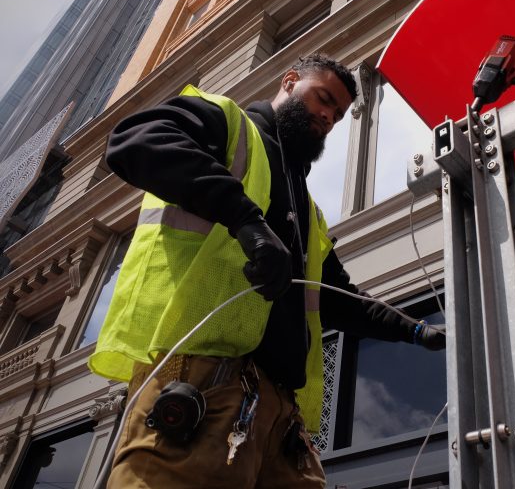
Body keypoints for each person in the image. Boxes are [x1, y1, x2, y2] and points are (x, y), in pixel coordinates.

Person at [89, 54, 445, 488]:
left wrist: (415, 330)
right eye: (323, 99)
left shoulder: (309, 213)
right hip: (204, 381)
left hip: (281, 421)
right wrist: (246, 221)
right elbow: (135, 138)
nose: (328, 116)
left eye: (336, 113)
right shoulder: (229, 124)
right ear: (290, 81)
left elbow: (338, 296)